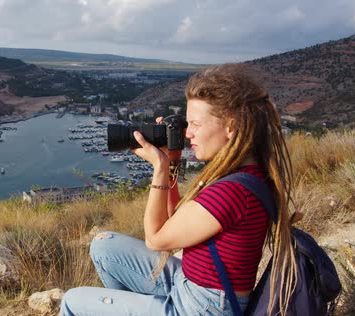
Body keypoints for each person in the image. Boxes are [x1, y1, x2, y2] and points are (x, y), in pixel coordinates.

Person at [60, 64, 298, 316]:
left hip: (202, 307)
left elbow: (156, 239)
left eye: (195, 124)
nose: (188, 133)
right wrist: (173, 160)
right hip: (191, 285)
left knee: (72, 301)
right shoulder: (244, 175)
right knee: (104, 247)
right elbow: (177, 216)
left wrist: (160, 168)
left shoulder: (232, 191)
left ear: (231, 126)